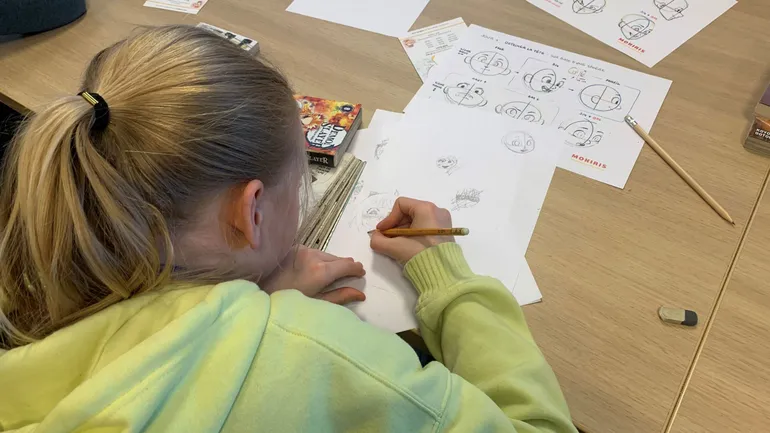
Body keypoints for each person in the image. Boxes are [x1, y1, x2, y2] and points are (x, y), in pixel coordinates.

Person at [0, 25, 577, 432]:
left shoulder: (30, 277)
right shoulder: (310, 351)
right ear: (250, 213)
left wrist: (243, 302)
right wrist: (449, 281)